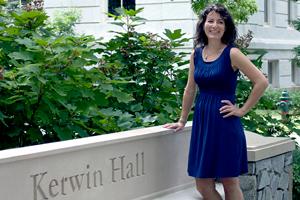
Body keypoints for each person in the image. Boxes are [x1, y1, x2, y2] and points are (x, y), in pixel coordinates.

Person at [163, 4, 268, 200]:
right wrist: (182, 120)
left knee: (230, 182)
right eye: (210, 20)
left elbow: (261, 81)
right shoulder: (196, 54)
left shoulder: (232, 53)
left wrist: (242, 110)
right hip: (203, 125)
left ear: (226, 27)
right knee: (203, 185)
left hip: (225, 123)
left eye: (221, 22)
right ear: (203, 24)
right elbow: (190, 89)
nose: (215, 25)